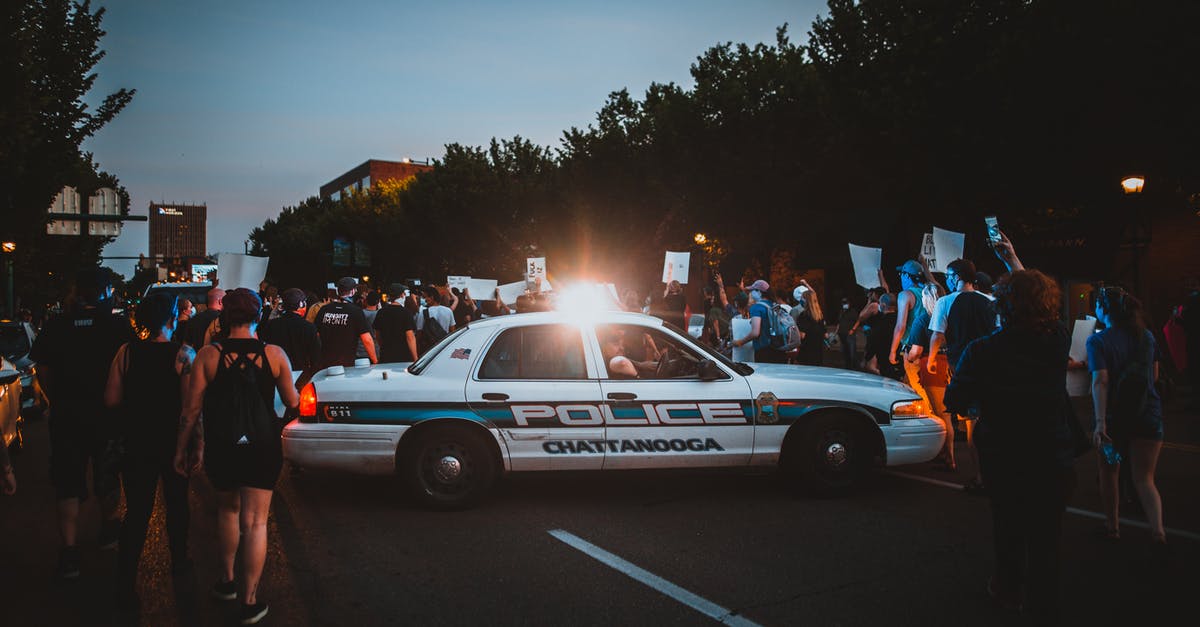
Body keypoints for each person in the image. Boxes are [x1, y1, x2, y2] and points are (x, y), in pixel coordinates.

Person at [944, 269, 1078, 624]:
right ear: (1048, 305)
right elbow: (1037, 299)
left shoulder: (982, 351)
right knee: (1047, 536)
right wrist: (1014, 261)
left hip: (1004, 454)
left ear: (1002, 305)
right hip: (1052, 452)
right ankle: (1044, 604)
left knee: (1008, 526)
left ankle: (1009, 590)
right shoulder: (1057, 341)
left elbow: (955, 399)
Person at [174, 288, 299, 625]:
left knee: (227, 511)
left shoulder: (208, 355)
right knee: (256, 522)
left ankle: (227, 581)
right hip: (263, 445)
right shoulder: (274, 354)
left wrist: (182, 448)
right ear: (259, 315)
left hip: (222, 444)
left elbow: (191, 410)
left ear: (223, 316)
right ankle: (250, 601)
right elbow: (291, 401)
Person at [31, 267, 135, 579]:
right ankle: (108, 529)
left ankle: (69, 551)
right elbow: (128, 370)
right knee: (108, 475)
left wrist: (57, 399)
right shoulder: (117, 326)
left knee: (67, 483)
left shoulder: (56, 325)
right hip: (107, 415)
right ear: (107, 293)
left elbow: (43, 370)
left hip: (67, 416)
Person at [103, 292, 196, 611]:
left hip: (136, 442)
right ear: (173, 318)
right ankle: (180, 562)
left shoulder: (126, 353)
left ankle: (124, 584)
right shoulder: (184, 354)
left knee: (138, 512)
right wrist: (189, 446)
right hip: (172, 441)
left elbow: (111, 400)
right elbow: (189, 409)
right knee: (177, 504)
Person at [1087, 286, 1166, 545]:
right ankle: (1158, 532)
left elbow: (1101, 382)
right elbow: (1152, 377)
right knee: (1145, 479)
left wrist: (1100, 423)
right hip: (1148, 415)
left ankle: (1113, 527)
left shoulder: (1098, 341)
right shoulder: (1147, 337)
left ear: (1103, 309)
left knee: (1110, 473)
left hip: (1114, 420)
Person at [928, 258, 997, 493]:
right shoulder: (990, 301)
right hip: (992, 368)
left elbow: (937, 334)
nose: (946, 279)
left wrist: (930, 360)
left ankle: (980, 477)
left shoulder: (945, 302)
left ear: (956, 277)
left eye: (948, 275)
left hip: (962, 369)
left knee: (971, 424)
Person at [906, 283, 955, 470]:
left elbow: (916, 351)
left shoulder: (924, 319)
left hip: (932, 366)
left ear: (925, 299)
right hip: (953, 363)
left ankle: (949, 456)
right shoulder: (951, 316)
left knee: (942, 415)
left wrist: (908, 356)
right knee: (955, 414)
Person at [257, 288, 321, 387]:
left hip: (275, 375)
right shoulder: (309, 327)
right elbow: (315, 358)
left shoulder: (272, 325)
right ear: (301, 304)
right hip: (300, 377)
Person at [315, 277, 376, 369]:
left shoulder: (324, 309)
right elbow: (367, 340)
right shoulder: (356, 312)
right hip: (347, 364)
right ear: (352, 291)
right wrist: (375, 361)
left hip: (325, 362)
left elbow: (316, 335)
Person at [733, 282, 785, 363]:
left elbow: (755, 332)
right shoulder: (774, 305)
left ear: (759, 292)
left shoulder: (757, 307)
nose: (751, 293)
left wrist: (740, 342)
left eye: (752, 291)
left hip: (764, 351)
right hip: (779, 349)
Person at [373, 292, 419, 363]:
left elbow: (377, 335)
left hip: (386, 354)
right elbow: (410, 337)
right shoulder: (406, 313)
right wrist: (415, 358)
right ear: (401, 295)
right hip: (404, 355)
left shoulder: (381, 312)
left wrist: (383, 345)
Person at [791, 281, 826, 366]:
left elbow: (801, 336)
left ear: (806, 300)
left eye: (802, 298)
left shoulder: (804, 316)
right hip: (818, 354)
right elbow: (825, 334)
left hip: (806, 353)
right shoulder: (820, 316)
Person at [835, 296, 858, 370]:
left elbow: (858, 321)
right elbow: (839, 322)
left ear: (849, 303)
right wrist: (836, 331)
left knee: (852, 353)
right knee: (845, 352)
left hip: (850, 334)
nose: (845, 304)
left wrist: (853, 329)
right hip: (842, 334)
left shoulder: (853, 311)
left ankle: (855, 368)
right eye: (843, 303)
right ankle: (847, 368)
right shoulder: (841, 311)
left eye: (846, 303)